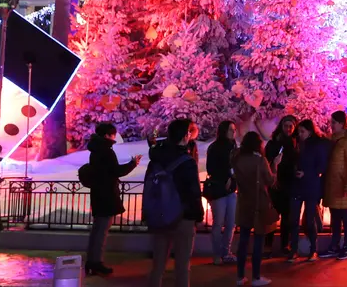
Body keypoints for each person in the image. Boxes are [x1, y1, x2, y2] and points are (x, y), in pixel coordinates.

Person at [148, 118, 203, 287]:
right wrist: (197, 215)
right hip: (183, 217)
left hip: (160, 214)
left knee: (158, 264)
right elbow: (193, 192)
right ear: (184, 135)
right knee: (182, 264)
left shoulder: (156, 157)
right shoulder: (187, 162)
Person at [85, 121, 142, 276]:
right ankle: (96, 262)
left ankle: (92, 261)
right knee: (102, 230)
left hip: (98, 193)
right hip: (106, 194)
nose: (114, 137)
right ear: (107, 135)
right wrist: (133, 164)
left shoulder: (95, 150)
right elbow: (115, 171)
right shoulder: (106, 151)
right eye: (113, 134)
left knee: (97, 230)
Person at [233, 130, 280, 287]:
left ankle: (240, 276)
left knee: (243, 241)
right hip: (258, 203)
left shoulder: (237, 158)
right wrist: (275, 165)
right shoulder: (260, 160)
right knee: (259, 239)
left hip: (243, 201)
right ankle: (256, 276)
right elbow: (270, 180)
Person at [288, 118, 330, 261]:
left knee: (310, 218)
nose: (299, 134)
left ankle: (313, 249)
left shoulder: (318, 145)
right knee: (293, 219)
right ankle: (293, 250)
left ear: (310, 131)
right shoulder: (296, 144)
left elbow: (322, 166)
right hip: (296, 186)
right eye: (298, 131)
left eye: (302, 131)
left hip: (311, 186)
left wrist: (307, 173)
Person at [322, 110, 347, 259]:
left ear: (342, 124)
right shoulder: (332, 140)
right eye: (331, 122)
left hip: (343, 186)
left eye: (333, 122)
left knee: (346, 216)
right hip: (333, 185)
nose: (331, 125)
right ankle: (334, 246)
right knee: (335, 217)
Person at [264, 115, 299, 255]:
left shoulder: (296, 143)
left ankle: (285, 245)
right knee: (272, 216)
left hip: (290, 184)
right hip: (275, 184)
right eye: (286, 126)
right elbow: (266, 161)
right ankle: (268, 245)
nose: (288, 129)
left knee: (287, 217)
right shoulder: (273, 143)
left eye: (291, 126)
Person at [205, 120, 238, 265]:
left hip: (231, 189)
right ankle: (217, 253)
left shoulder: (233, 146)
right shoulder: (215, 147)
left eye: (234, 129)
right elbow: (211, 168)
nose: (233, 132)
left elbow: (235, 165)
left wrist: (233, 177)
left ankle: (226, 252)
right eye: (231, 129)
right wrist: (226, 176)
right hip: (218, 188)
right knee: (218, 222)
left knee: (231, 222)